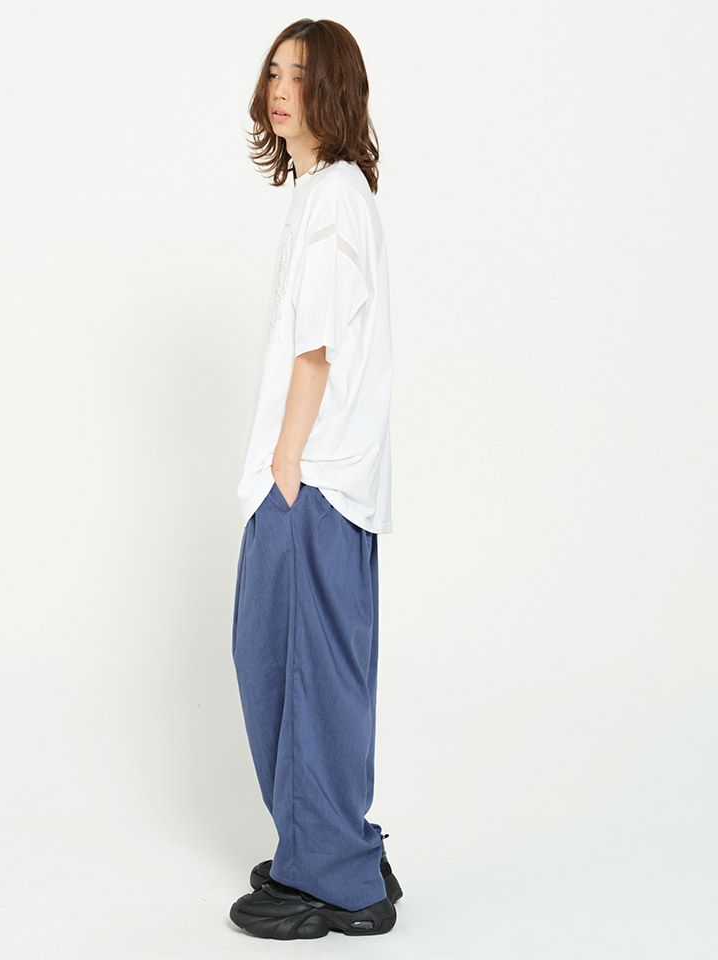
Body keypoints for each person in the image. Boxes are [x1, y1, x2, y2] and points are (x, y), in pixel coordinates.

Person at [229, 19, 401, 940]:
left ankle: (332, 875)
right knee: (302, 667)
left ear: (333, 90)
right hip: (324, 481)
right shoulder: (326, 193)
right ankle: (334, 844)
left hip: (312, 481)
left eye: (300, 75)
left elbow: (316, 349)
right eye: (274, 72)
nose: (280, 90)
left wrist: (287, 464)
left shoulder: (334, 196)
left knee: (296, 669)